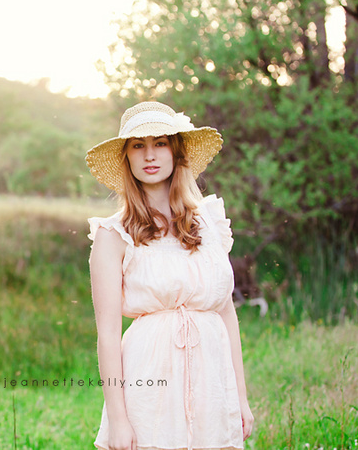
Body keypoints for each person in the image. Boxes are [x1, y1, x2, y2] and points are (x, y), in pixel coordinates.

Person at [85, 101, 254, 450]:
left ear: (176, 151)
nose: (150, 154)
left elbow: (226, 313)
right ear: (127, 157)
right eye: (138, 145)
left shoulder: (209, 224)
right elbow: (107, 335)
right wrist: (118, 419)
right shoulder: (112, 235)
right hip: (149, 378)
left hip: (212, 376)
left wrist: (240, 397)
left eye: (160, 143)